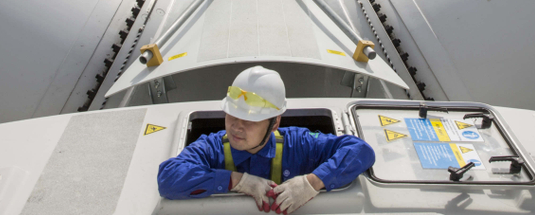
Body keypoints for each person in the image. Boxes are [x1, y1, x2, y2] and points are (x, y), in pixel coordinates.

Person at [158, 66, 375, 213]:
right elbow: (168, 178)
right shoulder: (211, 147)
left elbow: (360, 150)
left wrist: (312, 182)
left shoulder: (298, 144)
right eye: (232, 114)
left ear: (275, 123)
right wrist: (236, 181)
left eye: (250, 120)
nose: (236, 126)